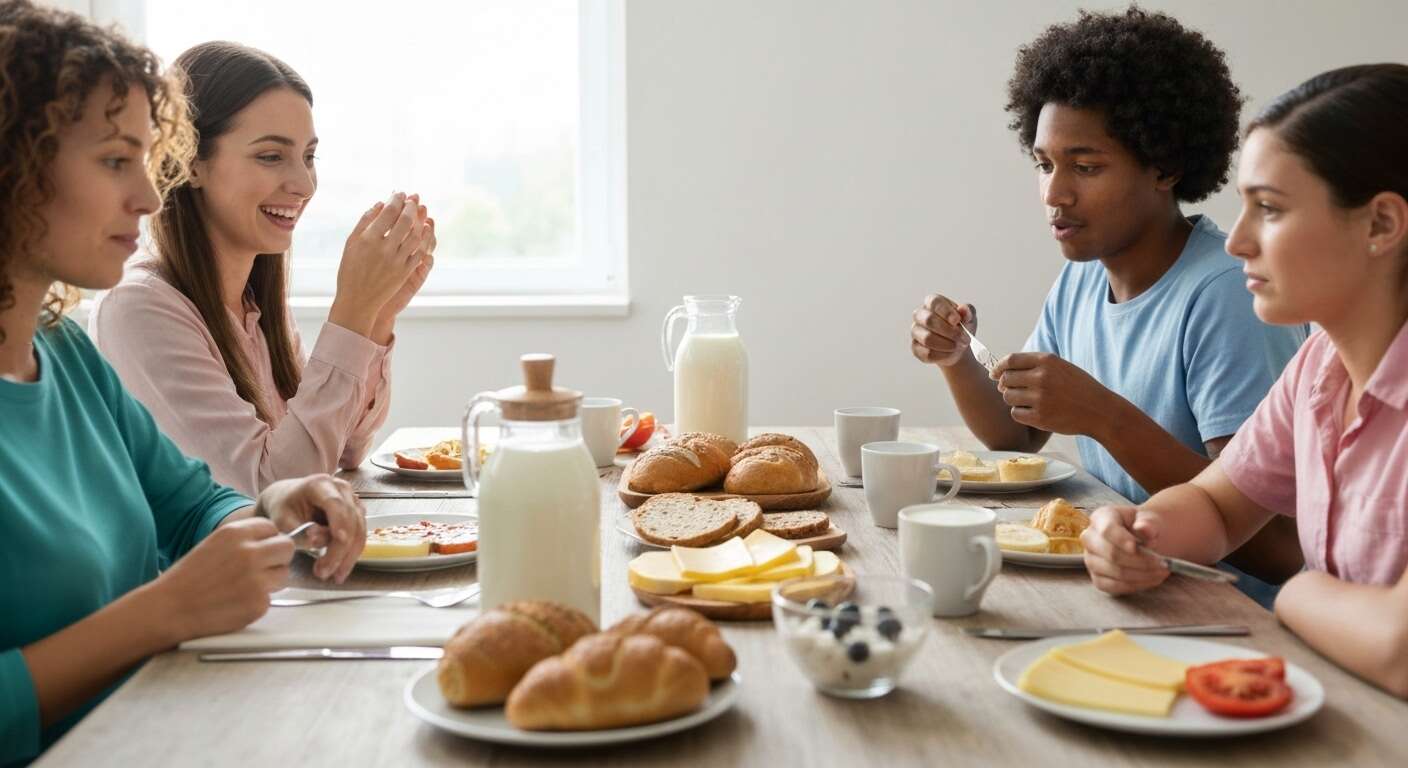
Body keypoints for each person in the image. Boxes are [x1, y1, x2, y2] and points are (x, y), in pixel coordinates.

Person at [0, 4, 366, 762]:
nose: (149, 194)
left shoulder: (65, 353)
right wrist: (161, 612)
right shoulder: (133, 314)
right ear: (13, 165)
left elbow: (192, 501)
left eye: (146, 157)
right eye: (113, 161)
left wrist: (273, 504)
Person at [908, 7, 1307, 595]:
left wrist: (1104, 417)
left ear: (1165, 166)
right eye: (1044, 164)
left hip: (1224, 619)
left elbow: (1275, 548)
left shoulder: (1228, 295)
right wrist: (957, 359)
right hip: (1124, 585)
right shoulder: (1082, 280)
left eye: (1086, 166)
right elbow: (1014, 439)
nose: (1054, 192)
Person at [1082, 63, 1408, 698]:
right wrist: (1138, 534)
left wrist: (1301, 595)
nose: (1237, 242)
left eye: (1270, 209)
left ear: (1381, 225)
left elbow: (1400, 648)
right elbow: (1216, 506)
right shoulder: (1318, 368)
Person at [89, 41, 434, 497]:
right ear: (190, 164)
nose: (304, 184)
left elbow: (347, 450)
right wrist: (352, 310)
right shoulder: (138, 309)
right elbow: (270, 494)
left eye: (308, 157)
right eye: (271, 156)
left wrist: (377, 316)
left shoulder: (250, 303)